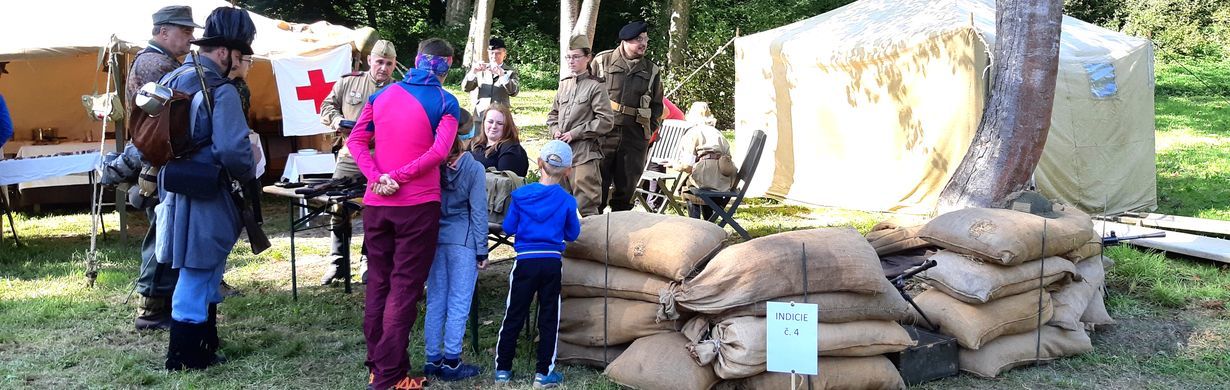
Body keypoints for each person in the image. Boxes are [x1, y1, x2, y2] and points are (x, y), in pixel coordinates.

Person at [347, 38, 461, 390]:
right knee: (404, 289)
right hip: (417, 206)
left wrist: (376, 177)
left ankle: (378, 365)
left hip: (377, 204)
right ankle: (389, 377)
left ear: (414, 59)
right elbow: (440, 151)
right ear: (448, 65)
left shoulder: (380, 96)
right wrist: (396, 177)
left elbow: (355, 141)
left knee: (379, 284)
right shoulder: (446, 101)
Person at [154, 7, 256, 370]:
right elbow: (233, 151)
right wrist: (251, 162)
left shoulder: (175, 78)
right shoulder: (221, 89)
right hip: (208, 192)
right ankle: (184, 358)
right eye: (243, 52)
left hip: (176, 189)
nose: (244, 60)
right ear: (226, 52)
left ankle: (204, 345)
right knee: (199, 273)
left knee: (204, 268)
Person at [126, 4, 202, 332]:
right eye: (184, 32)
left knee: (165, 233)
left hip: (160, 160)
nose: (190, 38)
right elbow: (167, 121)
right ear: (162, 31)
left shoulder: (160, 61)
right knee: (162, 234)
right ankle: (151, 308)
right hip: (158, 162)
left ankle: (161, 303)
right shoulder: (155, 64)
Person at [492, 140, 580, 389]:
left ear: (539, 164)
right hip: (551, 262)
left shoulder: (520, 195)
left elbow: (508, 228)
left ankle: (503, 370)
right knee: (550, 315)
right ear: (568, 171)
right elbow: (572, 234)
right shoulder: (567, 201)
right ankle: (544, 373)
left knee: (514, 312)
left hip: (524, 261)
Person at [317, 39, 398, 286]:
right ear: (369, 60)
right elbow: (326, 106)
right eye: (379, 61)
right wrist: (337, 121)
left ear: (394, 65)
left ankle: (369, 261)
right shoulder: (349, 82)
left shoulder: (399, 90)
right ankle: (338, 262)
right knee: (339, 208)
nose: (383, 67)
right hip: (350, 155)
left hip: (382, 157)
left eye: (388, 63)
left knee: (376, 211)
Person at [422, 137, 487, 382]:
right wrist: (482, 249)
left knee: (436, 299)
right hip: (464, 239)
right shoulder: (474, 168)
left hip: (436, 238)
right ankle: (451, 361)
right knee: (459, 302)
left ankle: (432, 359)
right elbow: (479, 211)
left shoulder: (432, 165)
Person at [591, 20, 664, 213]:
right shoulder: (602, 61)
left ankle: (622, 235)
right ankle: (594, 233)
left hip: (634, 135)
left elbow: (657, 106)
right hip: (604, 132)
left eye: (645, 40)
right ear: (625, 40)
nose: (643, 44)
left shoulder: (652, 70)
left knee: (627, 187)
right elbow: (587, 94)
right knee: (598, 185)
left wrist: (647, 130)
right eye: (638, 39)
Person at [548, 35, 613, 217]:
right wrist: (556, 131)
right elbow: (552, 115)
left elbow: (606, 120)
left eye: (576, 57)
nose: (571, 61)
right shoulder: (564, 84)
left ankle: (594, 246)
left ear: (588, 58)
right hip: (560, 154)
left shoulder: (596, 86)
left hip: (583, 154)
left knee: (587, 207)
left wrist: (575, 133)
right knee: (556, 205)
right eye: (568, 57)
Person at [666, 105, 736, 220]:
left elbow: (687, 166)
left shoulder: (694, 132)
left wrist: (673, 165)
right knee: (702, 187)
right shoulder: (717, 133)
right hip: (725, 181)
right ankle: (709, 221)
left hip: (706, 179)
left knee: (688, 188)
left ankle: (695, 224)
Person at [462, 37, 519, 135]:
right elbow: (466, 88)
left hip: (500, 119)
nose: (494, 56)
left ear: (504, 54)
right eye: (491, 53)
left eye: (498, 53)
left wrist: (502, 75)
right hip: (481, 117)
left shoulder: (509, 72)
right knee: (477, 146)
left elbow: (514, 92)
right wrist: (473, 72)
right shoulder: (482, 70)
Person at [470, 101, 529, 177]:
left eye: (500, 123)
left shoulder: (511, 150)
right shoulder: (475, 143)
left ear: (507, 126)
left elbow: (504, 184)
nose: (494, 126)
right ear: (484, 123)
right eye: (490, 122)